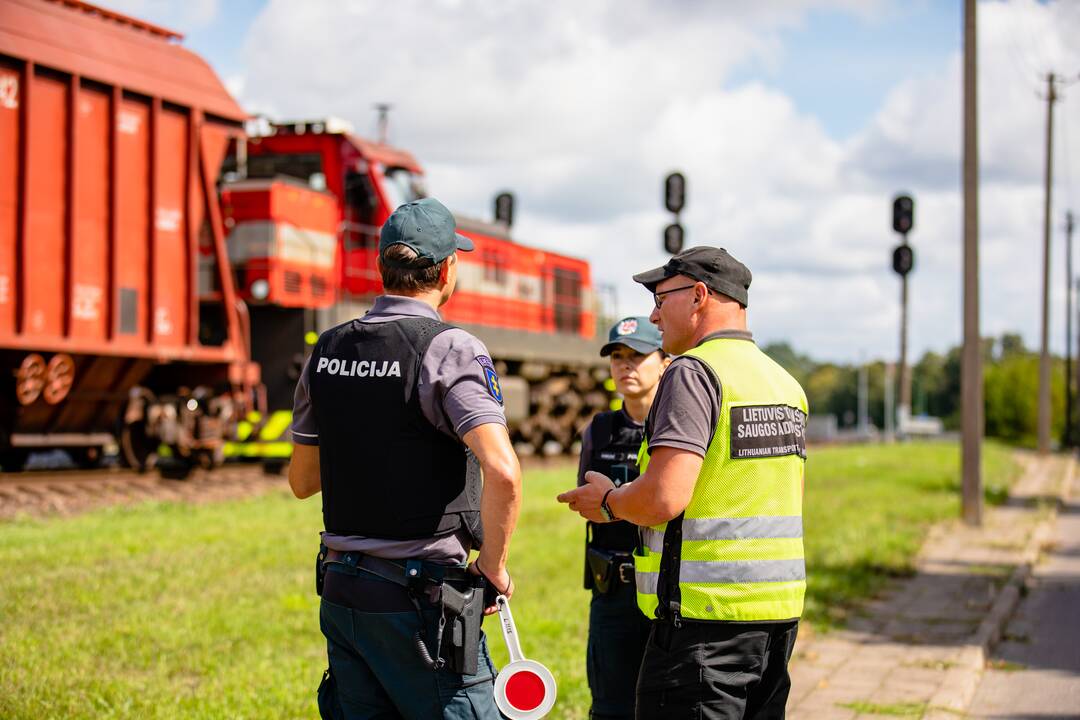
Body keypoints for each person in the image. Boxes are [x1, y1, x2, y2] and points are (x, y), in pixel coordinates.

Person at [288, 197, 522, 720]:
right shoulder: (451, 349)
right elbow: (503, 470)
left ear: (381, 267)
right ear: (446, 270)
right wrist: (494, 567)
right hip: (420, 607)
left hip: (344, 592)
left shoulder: (325, 350)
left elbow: (303, 482)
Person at [558, 246, 808, 720]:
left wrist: (609, 501)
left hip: (703, 627)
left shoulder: (695, 373)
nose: (654, 313)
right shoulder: (782, 383)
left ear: (698, 296)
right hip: (775, 620)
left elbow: (663, 497)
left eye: (660, 297)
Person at [579, 316, 670, 719]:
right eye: (617, 356)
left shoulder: (678, 428)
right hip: (611, 593)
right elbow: (588, 505)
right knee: (611, 707)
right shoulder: (599, 430)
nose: (625, 365)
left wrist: (614, 502)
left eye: (637, 355)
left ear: (665, 362)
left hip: (668, 594)